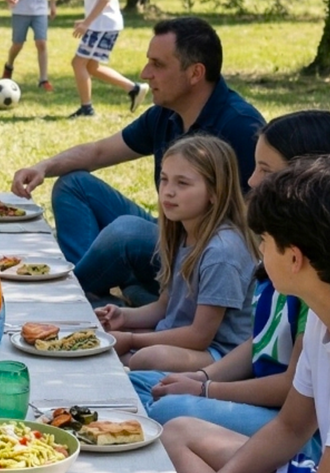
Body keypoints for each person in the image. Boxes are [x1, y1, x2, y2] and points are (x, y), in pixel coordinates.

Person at [161, 156, 330, 473]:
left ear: (294, 258)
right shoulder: (326, 313)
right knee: (179, 432)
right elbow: (291, 427)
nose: (259, 250)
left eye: (265, 240)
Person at [130, 111, 330, 446]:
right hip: (264, 404)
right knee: (139, 382)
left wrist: (206, 388)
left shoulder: (323, 285)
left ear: (310, 178)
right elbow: (261, 340)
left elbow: (292, 406)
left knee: (168, 412)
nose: (251, 181)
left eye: (265, 170)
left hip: (297, 430)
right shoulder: (290, 269)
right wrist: (201, 377)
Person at [11, 16, 264, 306]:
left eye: (158, 65)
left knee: (126, 232)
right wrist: (44, 167)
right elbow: (99, 152)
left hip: (201, 253)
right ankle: (94, 295)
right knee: (73, 185)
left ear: (195, 73)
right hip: (167, 233)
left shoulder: (240, 126)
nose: (144, 74)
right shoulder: (165, 113)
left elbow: (253, 230)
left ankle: (70, 295)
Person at [95, 135, 258, 371]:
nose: (168, 192)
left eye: (182, 183)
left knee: (145, 358)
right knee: (103, 334)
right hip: (180, 337)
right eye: (164, 180)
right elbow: (165, 306)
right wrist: (123, 317)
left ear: (215, 192)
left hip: (220, 355)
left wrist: (132, 340)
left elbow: (199, 336)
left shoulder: (222, 251)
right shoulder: (182, 231)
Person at [67, 0, 148, 117]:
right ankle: (133, 88)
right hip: (101, 25)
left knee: (78, 63)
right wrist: (87, 21)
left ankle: (86, 109)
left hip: (102, 27)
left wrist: (87, 23)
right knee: (91, 67)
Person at [1, 0, 56, 92]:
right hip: (20, 11)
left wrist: (52, 4)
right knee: (17, 45)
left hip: (40, 11)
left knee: (41, 43)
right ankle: (9, 67)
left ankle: (43, 80)